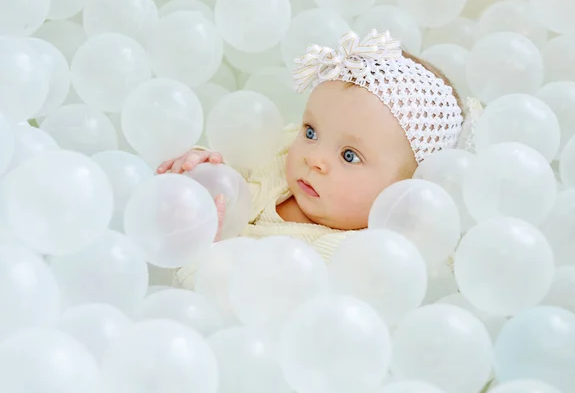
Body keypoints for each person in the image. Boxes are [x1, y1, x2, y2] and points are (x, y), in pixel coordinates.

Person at [156, 30, 481, 290]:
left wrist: (205, 254)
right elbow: (234, 174)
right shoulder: (281, 159)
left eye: (349, 156)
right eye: (311, 131)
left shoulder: (353, 258)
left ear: (406, 195)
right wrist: (197, 171)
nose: (315, 158)